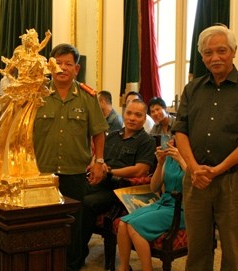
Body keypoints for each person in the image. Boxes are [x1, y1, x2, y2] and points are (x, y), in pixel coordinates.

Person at [172, 24, 238, 270]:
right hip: (196, 180)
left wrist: (218, 169)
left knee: (233, 250)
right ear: (202, 57)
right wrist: (194, 169)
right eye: (208, 52)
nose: (215, 57)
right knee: (197, 250)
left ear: (234, 51)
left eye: (221, 51)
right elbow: (180, 131)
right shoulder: (192, 89)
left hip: (234, 180)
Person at [33, 43, 109, 271]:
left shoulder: (87, 97)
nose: (62, 68)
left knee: (72, 223)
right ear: (50, 65)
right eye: (58, 63)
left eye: (68, 64)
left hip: (74, 172)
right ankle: (44, 262)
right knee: (42, 221)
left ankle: (72, 264)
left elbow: (98, 132)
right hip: (42, 171)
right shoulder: (38, 95)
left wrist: (99, 162)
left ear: (77, 69)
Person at [81, 99, 156, 266]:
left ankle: (77, 256)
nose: (132, 118)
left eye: (138, 115)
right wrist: (96, 166)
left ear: (144, 118)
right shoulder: (113, 135)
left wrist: (110, 171)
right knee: (74, 196)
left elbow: (141, 170)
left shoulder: (146, 141)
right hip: (101, 182)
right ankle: (70, 250)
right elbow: (98, 158)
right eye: (129, 113)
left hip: (122, 190)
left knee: (87, 203)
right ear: (124, 114)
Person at [117, 136, 186, 271]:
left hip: (182, 208)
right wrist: (160, 163)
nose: (171, 142)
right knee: (122, 224)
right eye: (172, 138)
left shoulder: (192, 159)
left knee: (133, 226)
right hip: (163, 203)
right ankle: (124, 268)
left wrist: (181, 160)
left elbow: (193, 184)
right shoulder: (169, 158)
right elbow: (154, 187)